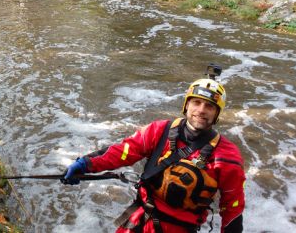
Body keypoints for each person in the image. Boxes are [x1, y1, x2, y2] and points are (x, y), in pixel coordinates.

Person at [62, 73, 245, 233]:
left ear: (217, 113)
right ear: (187, 105)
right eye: (196, 102)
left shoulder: (227, 156)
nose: (201, 110)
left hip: (181, 229)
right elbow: (124, 152)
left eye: (209, 106)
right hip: (140, 221)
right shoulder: (159, 131)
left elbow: (233, 207)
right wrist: (85, 164)